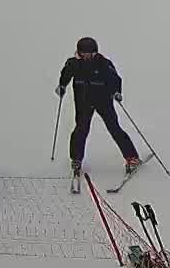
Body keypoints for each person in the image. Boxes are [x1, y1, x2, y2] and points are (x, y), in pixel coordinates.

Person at [56, 37, 141, 177]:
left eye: (90, 53)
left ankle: (132, 157)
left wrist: (117, 92)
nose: (87, 56)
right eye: (84, 53)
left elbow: (115, 79)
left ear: (95, 52)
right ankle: (76, 159)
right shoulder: (73, 64)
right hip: (83, 101)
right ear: (79, 52)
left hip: (103, 101)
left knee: (114, 128)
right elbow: (65, 75)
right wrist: (62, 85)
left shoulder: (103, 63)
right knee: (81, 129)